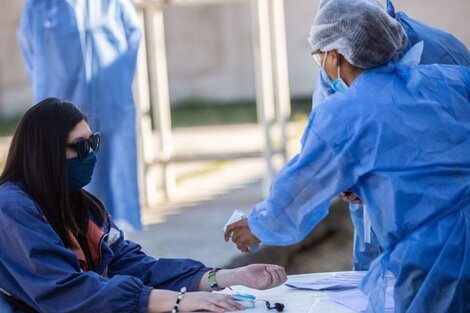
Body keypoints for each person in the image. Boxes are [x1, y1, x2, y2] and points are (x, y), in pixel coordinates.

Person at [225, 0, 470, 312]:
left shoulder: (344, 113)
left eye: (319, 56)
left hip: (435, 254)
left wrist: (256, 226)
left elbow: (301, 189)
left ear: (335, 55)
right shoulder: (445, 78)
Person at [0, 98, 287, 313]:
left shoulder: (83, 207)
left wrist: (227, 277)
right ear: (47, 153)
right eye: (81, 147)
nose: (92, 156)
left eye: (94, 143)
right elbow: (66, 292)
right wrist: (178, 301)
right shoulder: (12, 209)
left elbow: (135, 266)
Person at [317, 0, 470, 271]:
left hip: (442, 223)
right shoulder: (335, 57)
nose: (335, 63)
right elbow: (331, 133)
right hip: (373, 218)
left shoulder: (442, 59)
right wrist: (347, 176)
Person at [18, 0, 143, 231]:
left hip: (110, 99)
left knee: (115, 161)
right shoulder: (40, 6)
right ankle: (70, 228)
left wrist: (120, 79)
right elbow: (29, 49)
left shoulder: (112, 3)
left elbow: (133, 35)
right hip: (61, 100)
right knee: (65, 163)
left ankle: (117, 228)